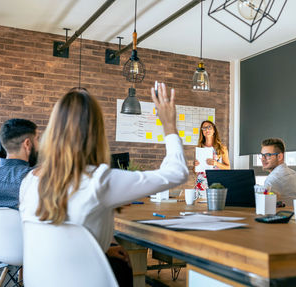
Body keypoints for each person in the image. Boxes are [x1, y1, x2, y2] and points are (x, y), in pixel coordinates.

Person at [19, 85, 188, 287]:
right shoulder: (99, 181)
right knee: (122, 267)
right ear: (96, 132)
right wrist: (169, 125)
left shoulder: (29, 181)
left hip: (41, 282)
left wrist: (101, 249)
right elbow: (177, 173)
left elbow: (56, 237)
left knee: (118, 261)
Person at [0, 118, 39, 215]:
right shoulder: (35, 177)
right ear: (27, 143)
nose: (39, 145)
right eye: (37, 139)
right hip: (27, 230)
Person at [260, 138, 296, 206]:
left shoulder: (272, 179)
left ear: (279, 156)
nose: (263, 159)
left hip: (281, 215)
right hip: (295, 215)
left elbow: (264, 205)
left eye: (267, 155)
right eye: (262, 155)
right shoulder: (295, 175)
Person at [194, 120, 230, 192]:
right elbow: (196, 172)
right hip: (201, 184)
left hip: (216, 183)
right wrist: (195, 166)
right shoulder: (200, 148)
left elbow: (228, 168)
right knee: (199, 203)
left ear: (214, 130)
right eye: (204, 128)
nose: (207, 129)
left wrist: (216, 163)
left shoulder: (222, 148)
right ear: (202, 132)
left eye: (209, 127)